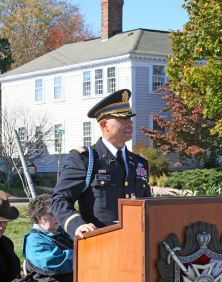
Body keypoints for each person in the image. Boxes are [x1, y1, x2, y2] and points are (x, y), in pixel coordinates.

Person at [52, 88, 151, 239]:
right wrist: (77, 225)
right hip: (100, 245)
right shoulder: (85, 159)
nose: (130, 124)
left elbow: (148, 204)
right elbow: (60, 200)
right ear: (104, 125)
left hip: (136, 242)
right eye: (122, 119)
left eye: (130, 118)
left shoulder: (139, 163)